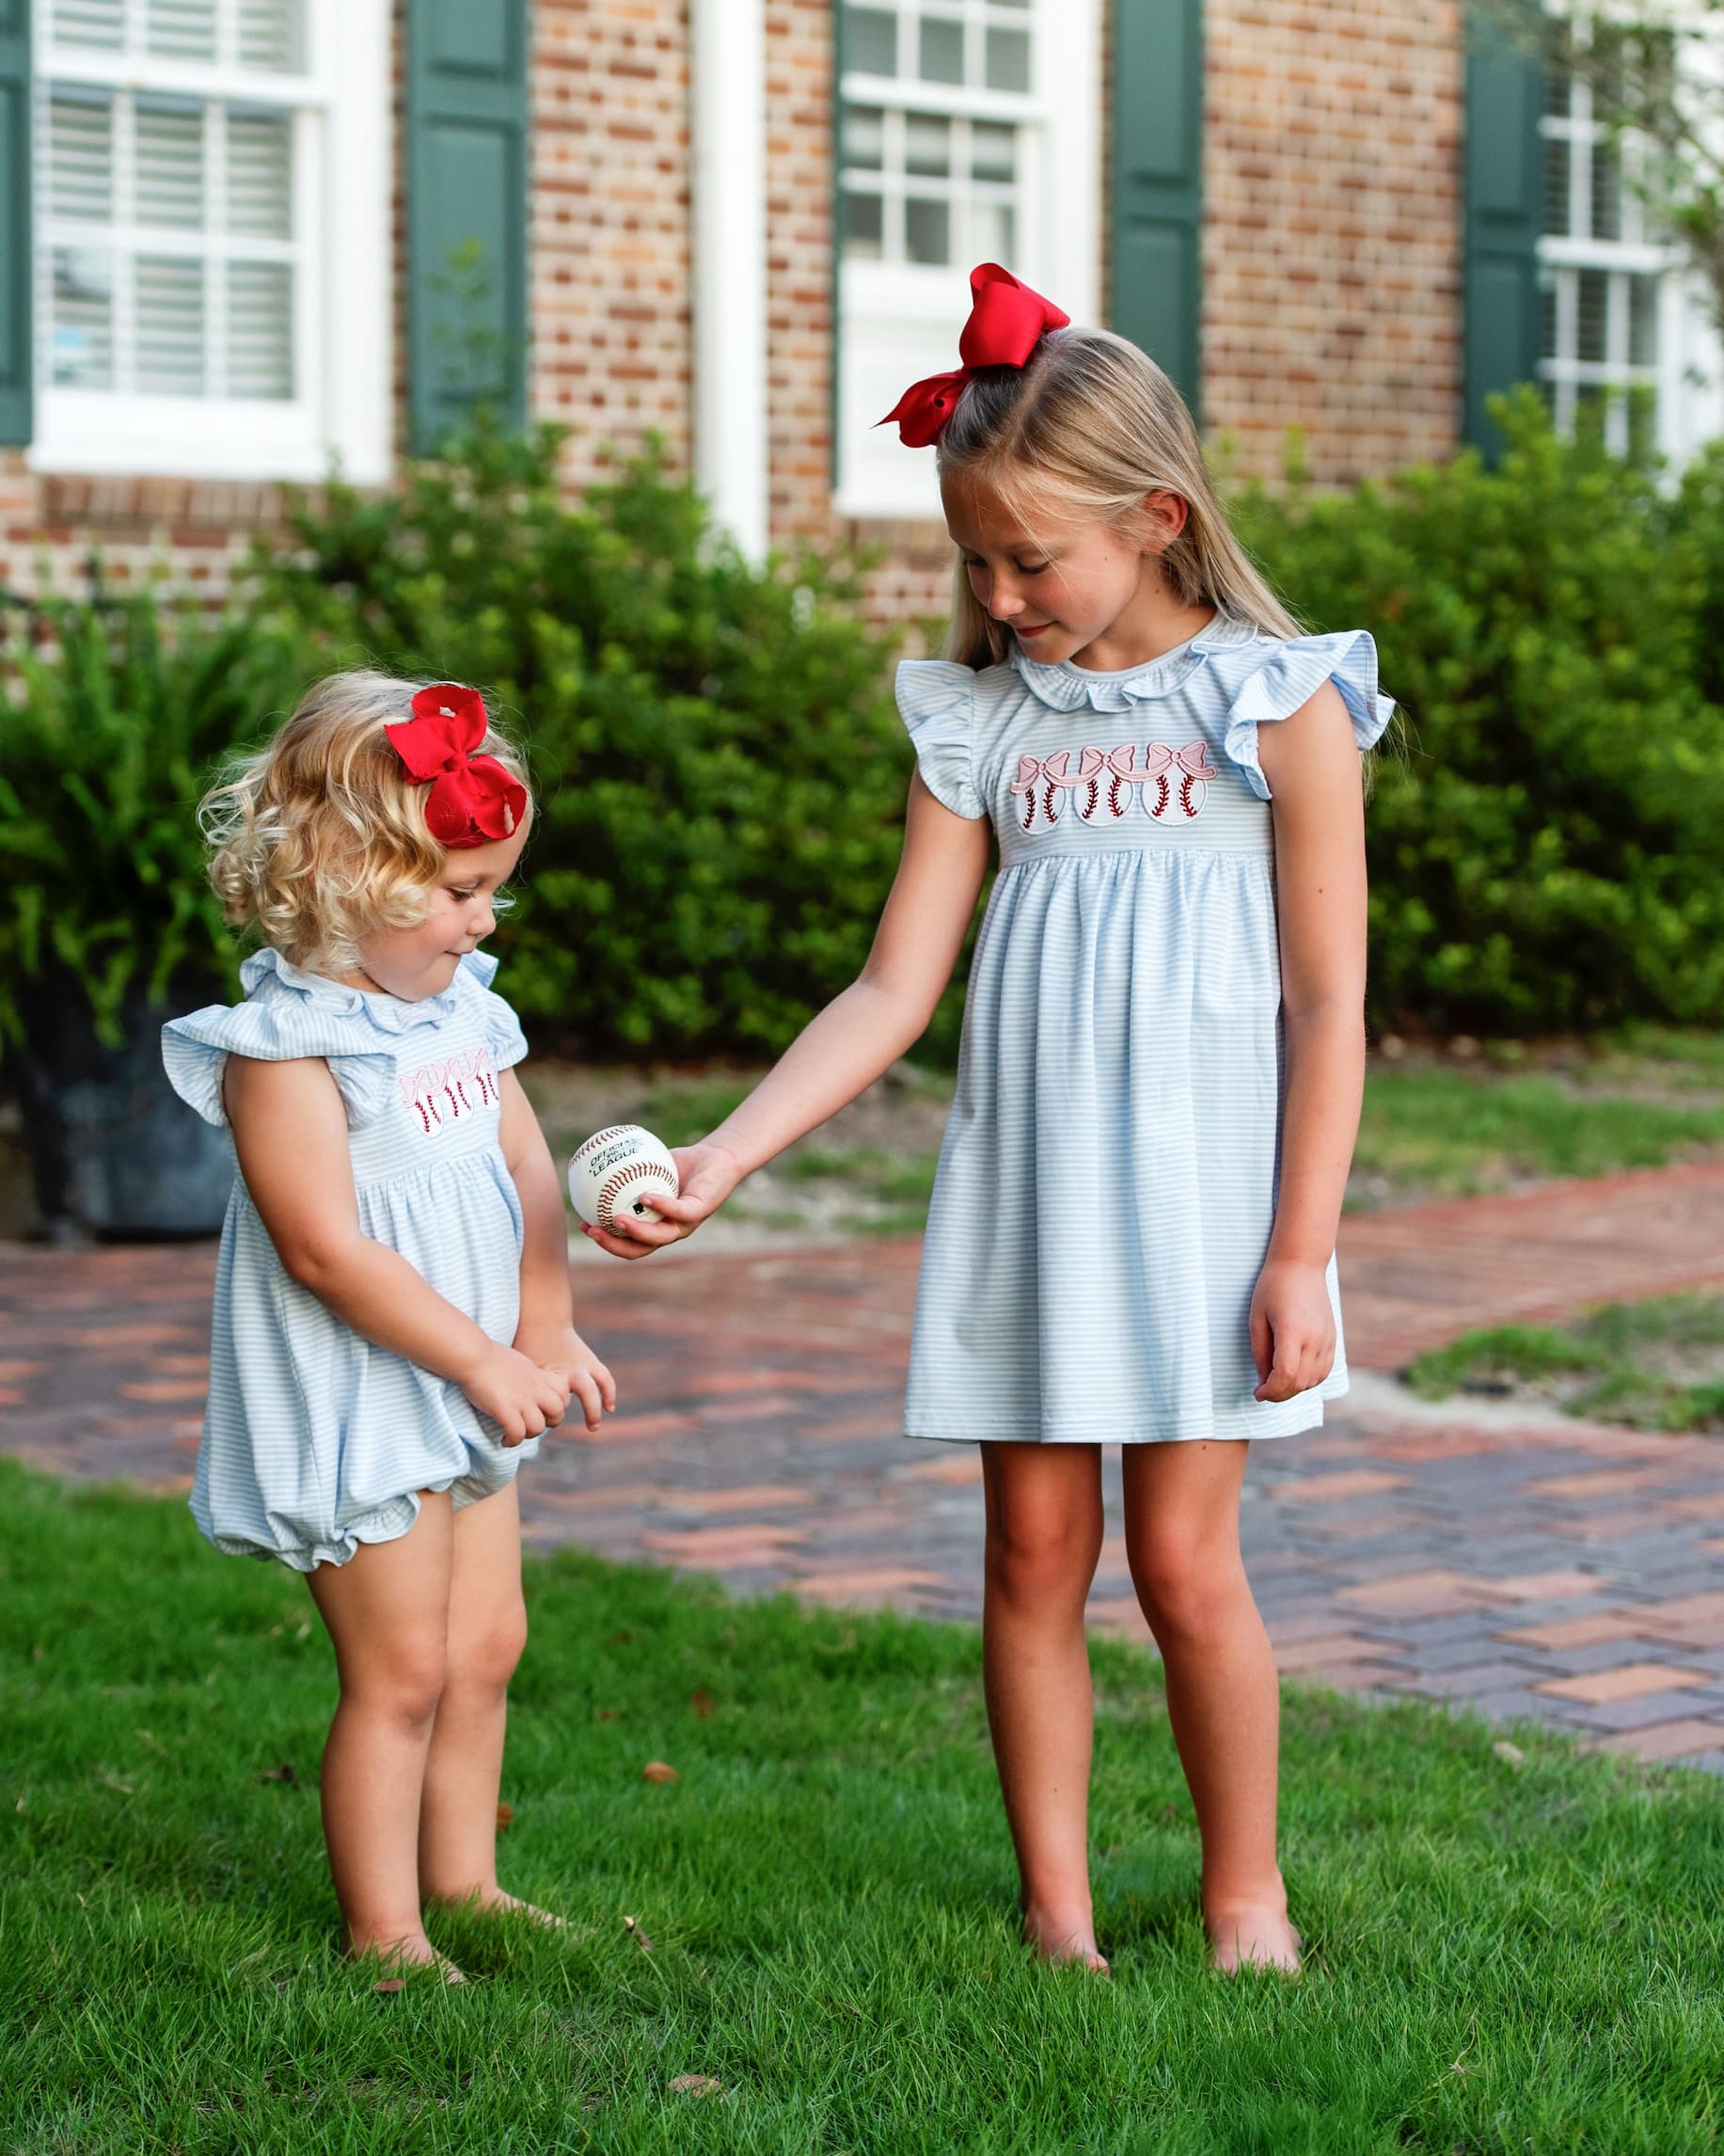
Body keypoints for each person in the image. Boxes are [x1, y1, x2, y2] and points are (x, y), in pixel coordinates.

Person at [587, 265, 1392, 1977]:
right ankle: (1057, 1913)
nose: (1000, 594)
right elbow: (890, 992)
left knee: (1181, 1566)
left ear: (1158, 519)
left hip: (1202, 1215)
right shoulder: (981, 724)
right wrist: (725, 1155)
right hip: (1032, 1202)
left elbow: (1329, 1004)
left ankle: (1244, 1892)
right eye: (975, 559)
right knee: (1032, 1551)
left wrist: (1302, 1253)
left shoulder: (1275, 703)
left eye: (1034, 561)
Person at [163, 673, 615, 1984]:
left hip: (473, 1372)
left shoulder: (462, 1009)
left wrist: (546, 1318)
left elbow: (526, 1165)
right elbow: (325, 1250)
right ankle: (386, 1933)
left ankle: (465, 1882)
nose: (484, 921)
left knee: (488, 1645)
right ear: (343, 874)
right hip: (362, 1392)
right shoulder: (284, 1046)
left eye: (493, 890)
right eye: (461, 892)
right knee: (404, 1666)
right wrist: (477, 1358)